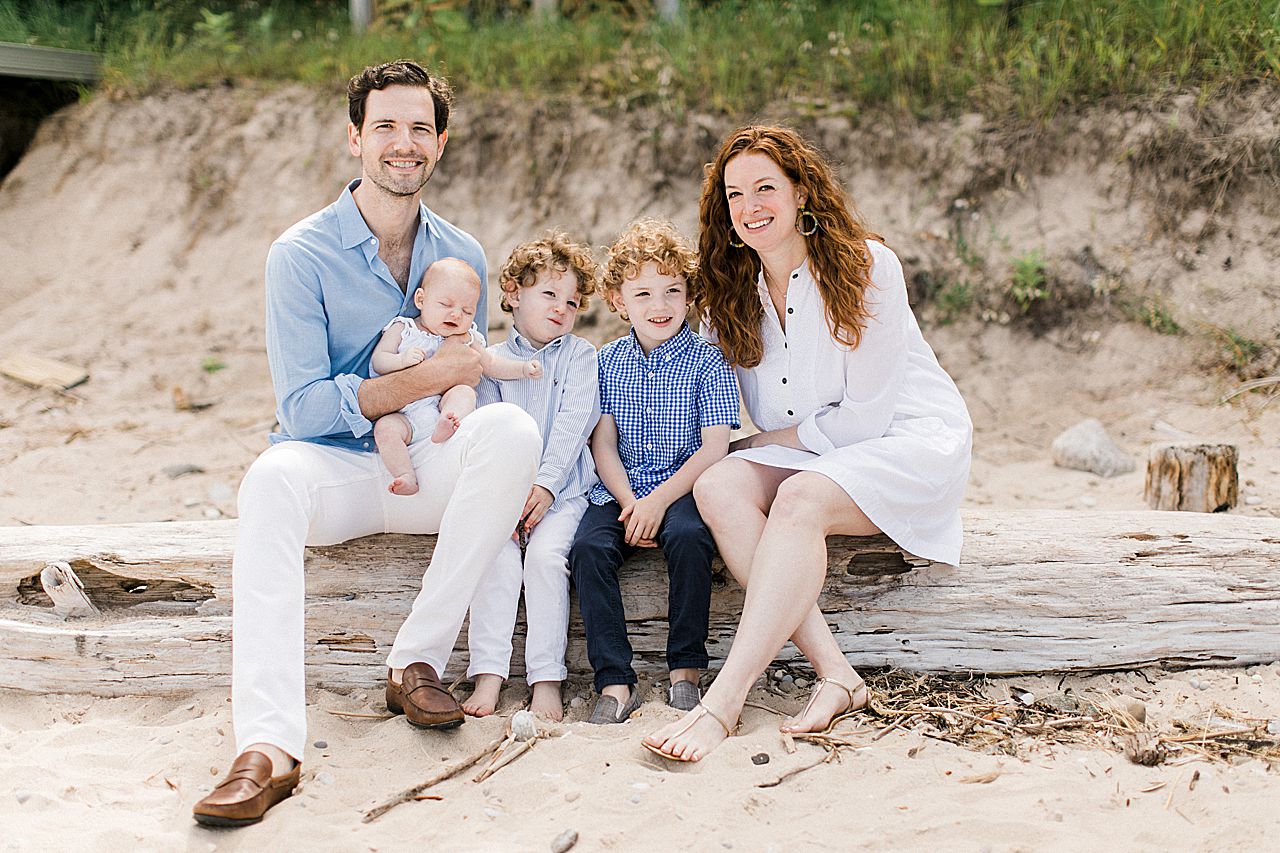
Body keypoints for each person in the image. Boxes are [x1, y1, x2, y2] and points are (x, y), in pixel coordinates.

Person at [192, 60, 542, 828]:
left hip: (430, 465)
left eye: (420, 128)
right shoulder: (299, 254)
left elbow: (475, 388)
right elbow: (307, 406)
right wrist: (419, 384)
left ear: (441, 143)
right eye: (385, 126)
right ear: (356, 137)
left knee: (513, 429)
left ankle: (412, 658)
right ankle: (269, 746)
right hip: (341, 468)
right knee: (268, 481)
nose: (402, 143)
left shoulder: (464, 254)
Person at [642, 126, 972, 762]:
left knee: (796, 498)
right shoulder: (727, 297)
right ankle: (837, 674)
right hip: (812, 451)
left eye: (766, 187)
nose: (750, 206)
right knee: (718, 484)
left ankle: (724, 702)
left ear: (801, 193)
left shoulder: (867, 267)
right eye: (734, 195)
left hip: (907, 440)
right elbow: (675, 385)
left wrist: (758, 441)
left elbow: (864, 422)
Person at [569, 218, 740, 725]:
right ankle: (615, 680)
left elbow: (713, 449)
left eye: (672, 291)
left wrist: (659, 501)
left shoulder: (708, 361)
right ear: (619, 301)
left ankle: (686, 668)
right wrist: (628, 503)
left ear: (689, 297)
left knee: (690, 539)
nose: (658, 306)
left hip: (681, 486)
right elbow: (603, 443)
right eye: (642, 293)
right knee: (587, 550)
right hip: (620, 490)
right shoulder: (607, 361)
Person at [461, 232, 602, 721]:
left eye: (572, 301)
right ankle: (489, 675)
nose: (562, 308)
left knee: (545, 562)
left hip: (564, 494)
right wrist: (515, 494)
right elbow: (485, 428)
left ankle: (546, 679)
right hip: (505, 495)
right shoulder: (491, 361)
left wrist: (543, 487)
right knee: (495, 562)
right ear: (514, 293)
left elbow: (573, 424)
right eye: (548, 294)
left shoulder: (582, 356)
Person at [370, 257, 543, 495]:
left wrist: (522, 369)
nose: (456, 314)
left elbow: (491, 364)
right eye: (446, 304)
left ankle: (450, 421)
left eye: (467, 310)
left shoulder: (467, 338)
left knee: (463, 392)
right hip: (404, 416)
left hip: (441, 410)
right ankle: (405, 474)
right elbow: (379, 360)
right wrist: (401, 360)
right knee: (384, 429)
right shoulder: (403, 329)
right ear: (421, 299)